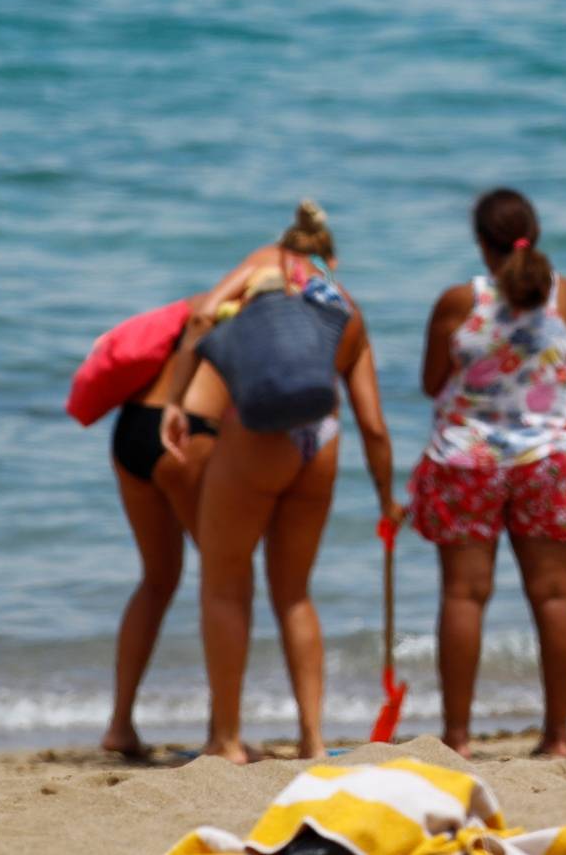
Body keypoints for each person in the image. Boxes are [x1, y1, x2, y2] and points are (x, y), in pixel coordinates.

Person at [159, 200, 401, 763]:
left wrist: (174, 401)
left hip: (255, 442)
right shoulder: (344, 308)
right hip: (319, 446)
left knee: (224, 583)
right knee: (294, 594)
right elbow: (373, 423)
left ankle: (226, 739)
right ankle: (313, 738)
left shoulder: (260, 268)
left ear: (285, 247)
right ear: (329, 255)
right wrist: (387, 497)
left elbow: (199, 320)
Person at [408, 188, 566, 759]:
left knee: (464, 596)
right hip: (552, 459)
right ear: (532, 234)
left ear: (480, 242)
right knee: (556, 594)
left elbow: (431, 381)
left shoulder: (460, 301)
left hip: (468, 460)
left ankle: (458, 739)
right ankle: (557, 738)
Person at [101, 305, 227, 758]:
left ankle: (119, 725)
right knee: (225, 579)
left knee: (156, 579)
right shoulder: (262, 307)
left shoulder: (200, 307)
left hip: (132, 426)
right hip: (184, 432)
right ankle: (222, 733)